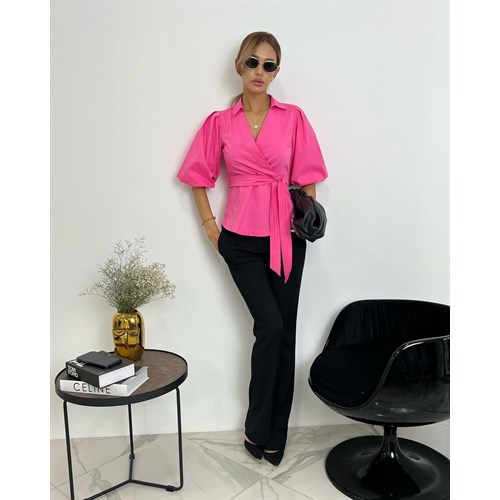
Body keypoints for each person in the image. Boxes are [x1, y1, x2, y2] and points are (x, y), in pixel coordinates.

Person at [177, 31, 328, 466]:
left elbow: (308, 176)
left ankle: (274, 433)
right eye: (253, 62)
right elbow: (197, 177)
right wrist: (212, 230)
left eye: (269, 64)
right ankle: (256, 426)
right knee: (270, 327)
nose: (260, 71)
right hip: (240, 241)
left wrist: (304, 220)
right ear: (239, 66)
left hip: (286, 239)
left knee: (284, 333)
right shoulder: (219, 123)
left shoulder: (293, 118)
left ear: (276, 72)